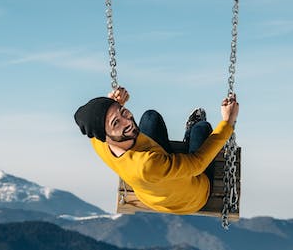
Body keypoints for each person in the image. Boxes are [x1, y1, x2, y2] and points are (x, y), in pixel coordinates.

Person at [74, 87, 239, 214]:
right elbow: (197, 165)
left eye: (122, 112)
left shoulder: (99, 142)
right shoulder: (146, 165)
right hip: (192, 197)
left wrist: (111, 103)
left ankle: (115, 116)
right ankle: (191, 133)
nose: (127, 121)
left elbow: (97, 121)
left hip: (151, 195)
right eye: (116, 123)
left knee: (149, 117)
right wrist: (228, 122)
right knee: (201, 129)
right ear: (105, 135)